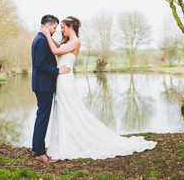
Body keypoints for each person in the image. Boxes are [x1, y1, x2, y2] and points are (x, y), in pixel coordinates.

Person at [40, 16, 156, 160]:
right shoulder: (69, 42)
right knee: (65, 110)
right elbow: (58, 48)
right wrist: (49, 38)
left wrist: (46, 35)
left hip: (65, 81)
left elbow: (55, 52)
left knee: (69, 109)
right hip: (61, 80)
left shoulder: (75, 42)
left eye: (63, 27)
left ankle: (69, 144)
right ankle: (65, 143)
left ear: (70, 27)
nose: (61, 30)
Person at [31, 14, 71, 163]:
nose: (55, 30)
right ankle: (40, 153)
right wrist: (57, 71)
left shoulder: (41, 38)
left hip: (42, 85)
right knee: (43, 118)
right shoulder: (41, 41)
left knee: (40, 117)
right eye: (54, 27)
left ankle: (36, 149)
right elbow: (40, 64)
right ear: (48, 26)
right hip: (44, 85)